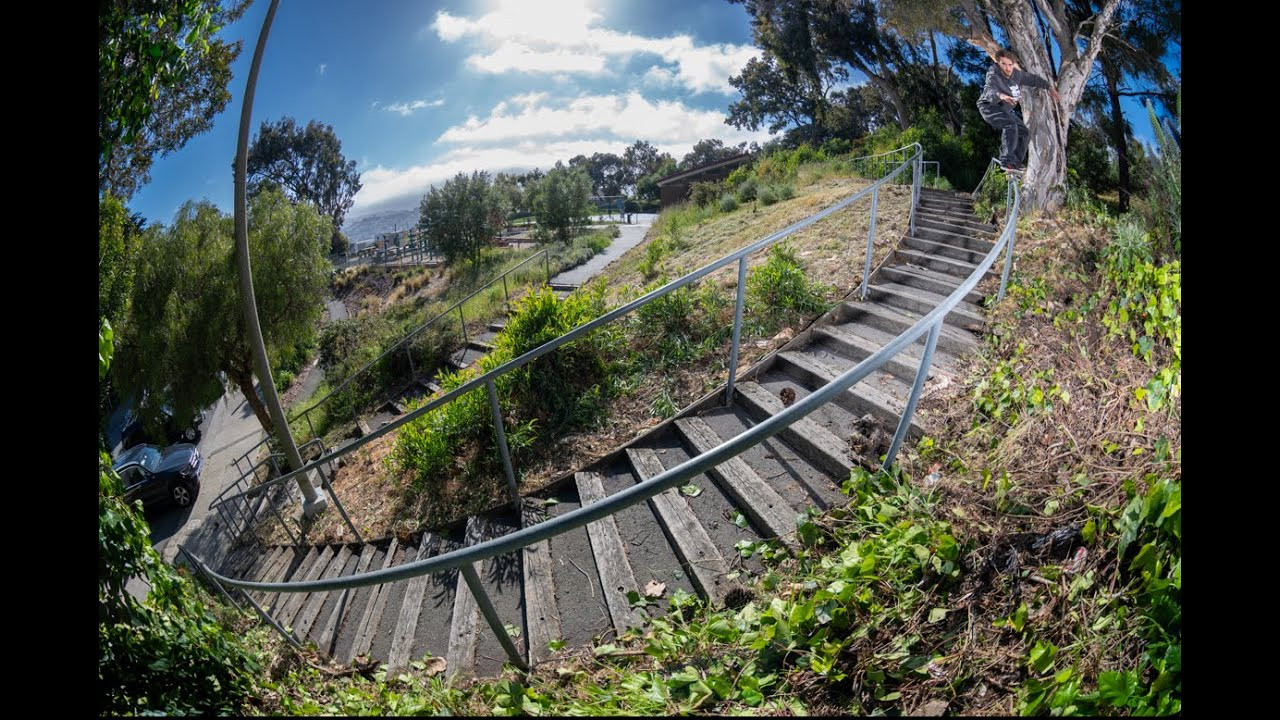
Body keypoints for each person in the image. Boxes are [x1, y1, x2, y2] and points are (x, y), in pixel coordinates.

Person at [978, 49, 1061, 173]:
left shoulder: (1018, 75)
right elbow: (989, 89)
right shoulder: (993, 73)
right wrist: (1000, 95)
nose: (1007, 68)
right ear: (998, 63)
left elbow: (1034, 79)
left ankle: (1015, 162)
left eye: (1010, 65)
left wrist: (1049, 88)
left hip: (1004, 110)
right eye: (1003, 64)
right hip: (989, 107)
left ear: (1013, 64)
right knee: (1010, 125)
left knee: (1025, 133)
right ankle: (1006, 160)